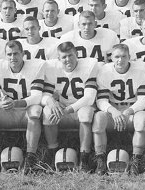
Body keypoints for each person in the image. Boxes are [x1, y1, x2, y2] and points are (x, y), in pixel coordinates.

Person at [0, 40, 46, 173]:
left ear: (23, 54)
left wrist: (15, 103)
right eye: (9, 54)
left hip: (25, 110)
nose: (12, 57)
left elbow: (36, 97)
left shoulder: (36, 66)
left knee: (36, 110)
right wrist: (2, 103)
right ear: (5, 55)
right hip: (7, 111)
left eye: (16, 54)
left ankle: (30, 157)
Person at [41, 42, 101, 172]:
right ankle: (54, 152)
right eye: (64, 57)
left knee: (85, 114)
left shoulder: (89, 66)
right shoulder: (52, 69)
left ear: (77, 55)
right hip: (62, 106)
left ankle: (84, 157)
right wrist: (51, 101)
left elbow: (89, 98)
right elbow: (44, 95)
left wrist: (67, 110)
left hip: (82, 106)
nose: (67, 59)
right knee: (47, 112)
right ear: (58, 59)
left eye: (70, 55)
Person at [92, 44, 145, 175]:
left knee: (141, 121)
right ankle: (100, 159)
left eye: (124, 56)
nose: (120, 60)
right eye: (117, 56)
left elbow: (143, 99)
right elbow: (101, 100)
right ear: (111, 57)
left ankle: (136, 159)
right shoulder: (104, 71)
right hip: (114, 111)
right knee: (99, 118)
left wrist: (128, 111)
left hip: (132, 110)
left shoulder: (141, 70)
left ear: (129, 57)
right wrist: (114, 111)